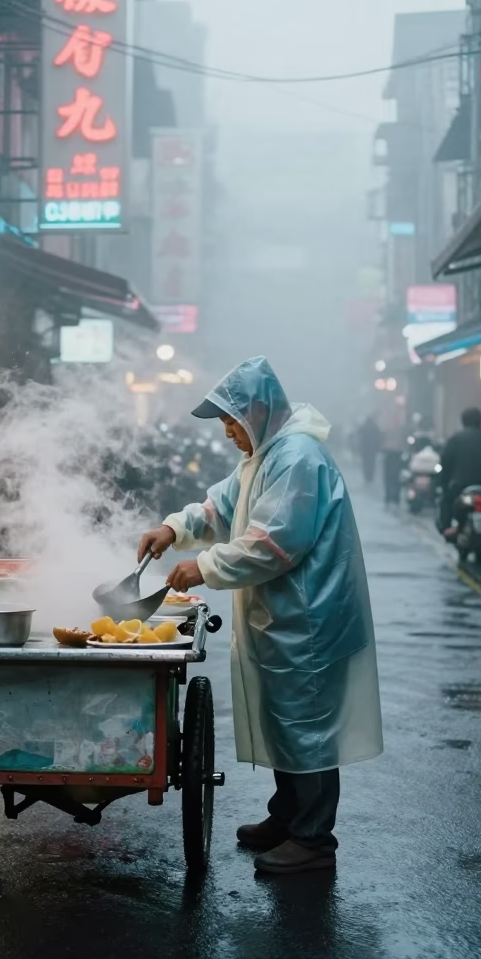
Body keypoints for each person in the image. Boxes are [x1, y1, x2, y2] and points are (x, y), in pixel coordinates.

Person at [138, 358, 383, 875]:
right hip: (283, 619)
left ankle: (313, 840)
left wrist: (202, 565)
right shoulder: (263, 455)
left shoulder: (296, 457)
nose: (227, 432)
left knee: (308, 726)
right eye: (225, 423)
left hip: (309, 622)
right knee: (283, 720)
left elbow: (274, 544)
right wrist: (172, 530)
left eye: (232, 420)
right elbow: (219, 509)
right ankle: (288, 816)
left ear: (259, 412)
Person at [437, 406, 481, 535]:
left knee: (446, 500)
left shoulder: (454, 440)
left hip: (460, 487)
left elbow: (445, 464)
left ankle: (446, 527)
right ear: (480, 421)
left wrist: (444, 483)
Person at [356, 414, 382, 485]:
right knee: (372, 462)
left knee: (365, 463)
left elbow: (358, 432)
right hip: (372, 448)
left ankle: (367, 477)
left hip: (365, 448)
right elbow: (379, 436)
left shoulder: (364, 426)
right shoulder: (375, 426)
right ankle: (370, 476)